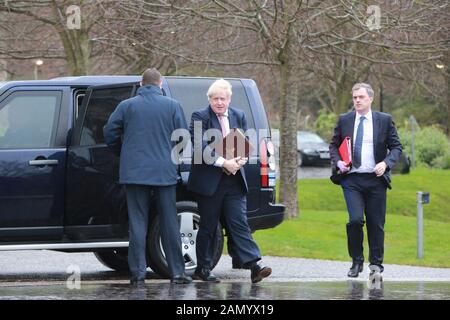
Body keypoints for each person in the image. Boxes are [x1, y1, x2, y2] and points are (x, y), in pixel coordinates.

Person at [103, 68, 192, 285]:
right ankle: (177, 273)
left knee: (138, 222)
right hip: (164, 172)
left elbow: (109, 133)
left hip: (134, 173)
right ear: (160, 84)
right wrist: (173, 159)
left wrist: (123, 152)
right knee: (170, 222)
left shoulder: (127, 106)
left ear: (141, 85)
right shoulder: (172, 105)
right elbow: (182, 138)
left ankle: (138, 273)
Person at [187, 79, 272, 283]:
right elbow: (200, 147)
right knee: (208, 226)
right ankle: (203, 268)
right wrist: (224, 163)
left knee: (239, 223)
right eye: (215, 99)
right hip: (210, 182)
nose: (219, 102)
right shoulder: (200, 116)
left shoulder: (238, 115)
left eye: (222, 99)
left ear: (229, 99)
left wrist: (239, 160)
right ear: (209, 99)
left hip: (234, 181)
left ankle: (253, 265)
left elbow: (242, 143)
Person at [329, 83, 402, 279]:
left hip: (376, 180)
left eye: (361, 97)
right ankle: (356, 261)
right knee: (355, 220)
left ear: (370, 99)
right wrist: (339, 162)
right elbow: (334, 146)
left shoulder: (384, 120)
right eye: (355, 98)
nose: (357, 101)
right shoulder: (345, 120)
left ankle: (376, 264)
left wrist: (386, 164)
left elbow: (396, 147)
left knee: (376, 223)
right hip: (352, 179)